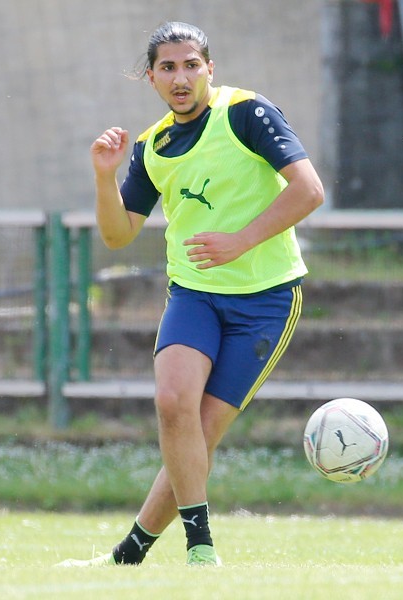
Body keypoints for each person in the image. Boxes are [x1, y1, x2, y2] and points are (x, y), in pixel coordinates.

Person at [57, 21, 324, 567]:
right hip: (194, 295)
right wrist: (104, 178)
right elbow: (116, 234)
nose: (181, 77)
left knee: (200, 430)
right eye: (168, 68)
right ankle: (200, 549)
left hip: (267, 300)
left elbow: (309, 190)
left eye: (191, 65)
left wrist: (241, 241)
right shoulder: (153, 146)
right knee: (172, 405)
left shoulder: (247, 113)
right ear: (151, 77)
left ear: (210, 69)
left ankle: (131, 552)